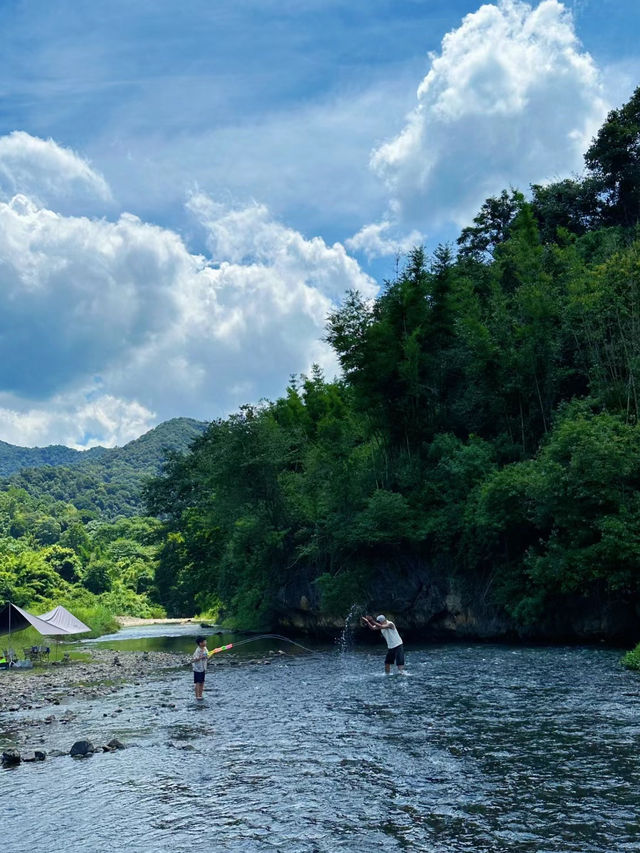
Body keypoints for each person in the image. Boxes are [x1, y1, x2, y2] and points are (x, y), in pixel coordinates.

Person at [192, 636, 209, 700]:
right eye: (204, 641)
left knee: (202, 682)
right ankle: (197, 696)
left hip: (203, 667)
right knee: (198, 682)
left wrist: (209, 654)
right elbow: (193, 659)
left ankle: (201, 695)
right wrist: (200, 657)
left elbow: (208, 656)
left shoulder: (205, 648)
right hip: (197, 668)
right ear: (200, 643)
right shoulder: (197, 650)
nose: (206, 642)